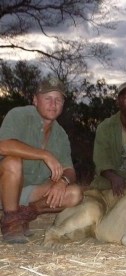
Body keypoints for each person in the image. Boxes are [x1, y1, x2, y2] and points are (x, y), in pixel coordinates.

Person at [0, 77, 83, 244]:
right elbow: (3, 146)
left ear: (62, 105)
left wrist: (63, 181)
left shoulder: (61, 135)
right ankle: (11, 222)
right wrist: (45, 154)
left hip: (29, 194)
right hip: (4, 188)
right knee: (12, 162)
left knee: (75, 193)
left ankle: (24, 215)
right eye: (47, 98)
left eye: (58, 99)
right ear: (35, 100)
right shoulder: (18, 114)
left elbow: (70, 170)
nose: (53, 104)